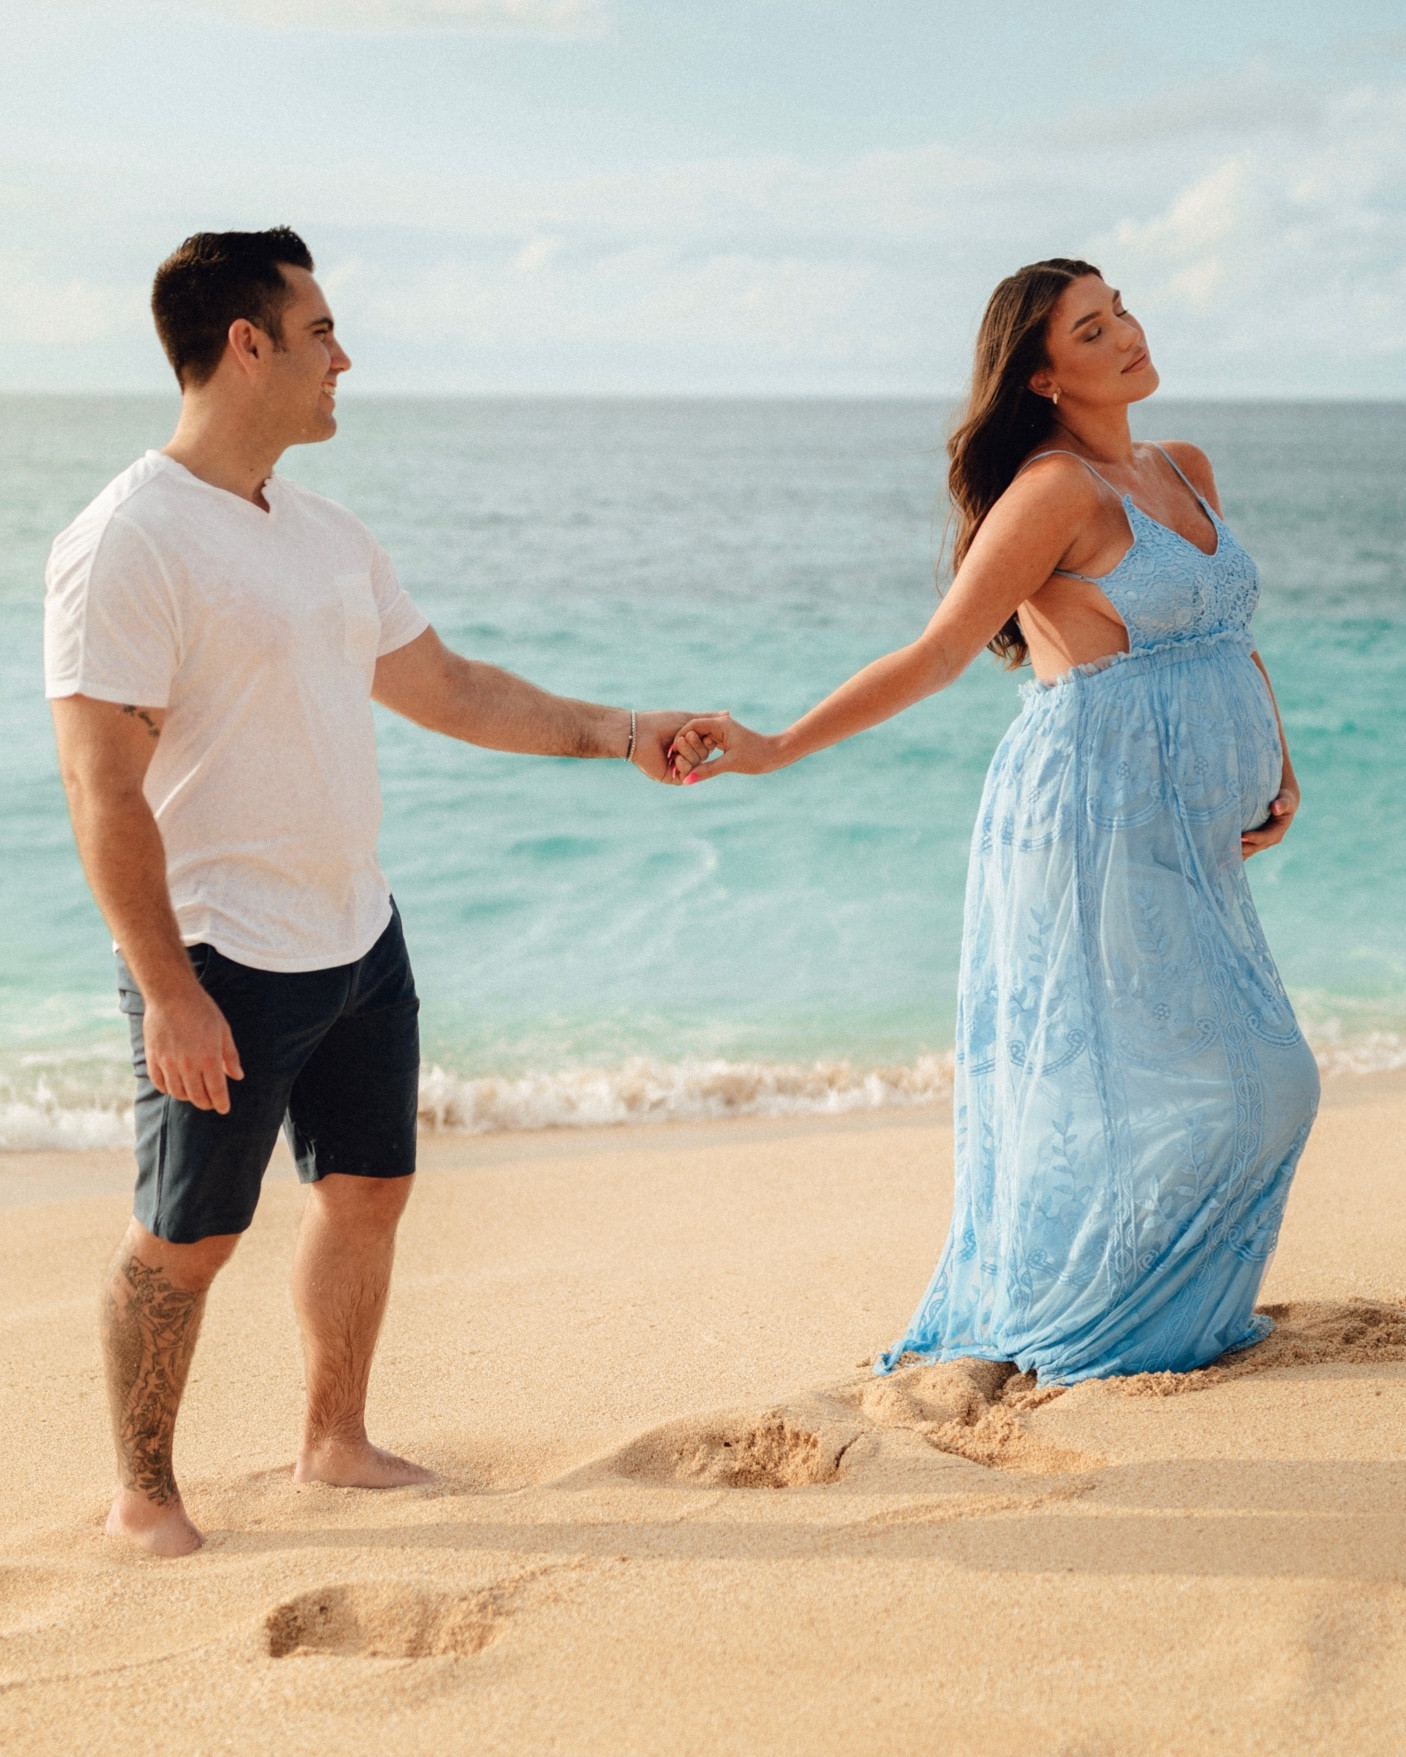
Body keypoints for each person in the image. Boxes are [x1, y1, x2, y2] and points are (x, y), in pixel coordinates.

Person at [45, 228, 703, 1557]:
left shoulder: (324, 530)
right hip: (221, 951)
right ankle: (142, 1499)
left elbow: (446, 687)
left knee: (366, 1188)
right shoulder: (126, 539)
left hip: (355, 931)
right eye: (322, 330)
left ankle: (332, 1443)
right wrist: (168, 990)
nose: (345, 356)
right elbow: (102, 790)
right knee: (187, 1239)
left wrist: (619, 731)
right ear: (248, 345)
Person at [669, 258, 1320, 1384]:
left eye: (1119, 310)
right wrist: (773, 745)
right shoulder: (1054, 494)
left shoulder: (1184, 467)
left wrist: (1277, 752)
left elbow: (1225, 628)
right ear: (1038, 375)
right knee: (1210, 1080)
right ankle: (1081, 1324)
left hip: (1194, 830)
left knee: (1233, 1080)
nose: (1124, 332)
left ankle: (1162, 1313)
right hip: (1090, 817)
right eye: (1089, 327)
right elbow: (934, 655)